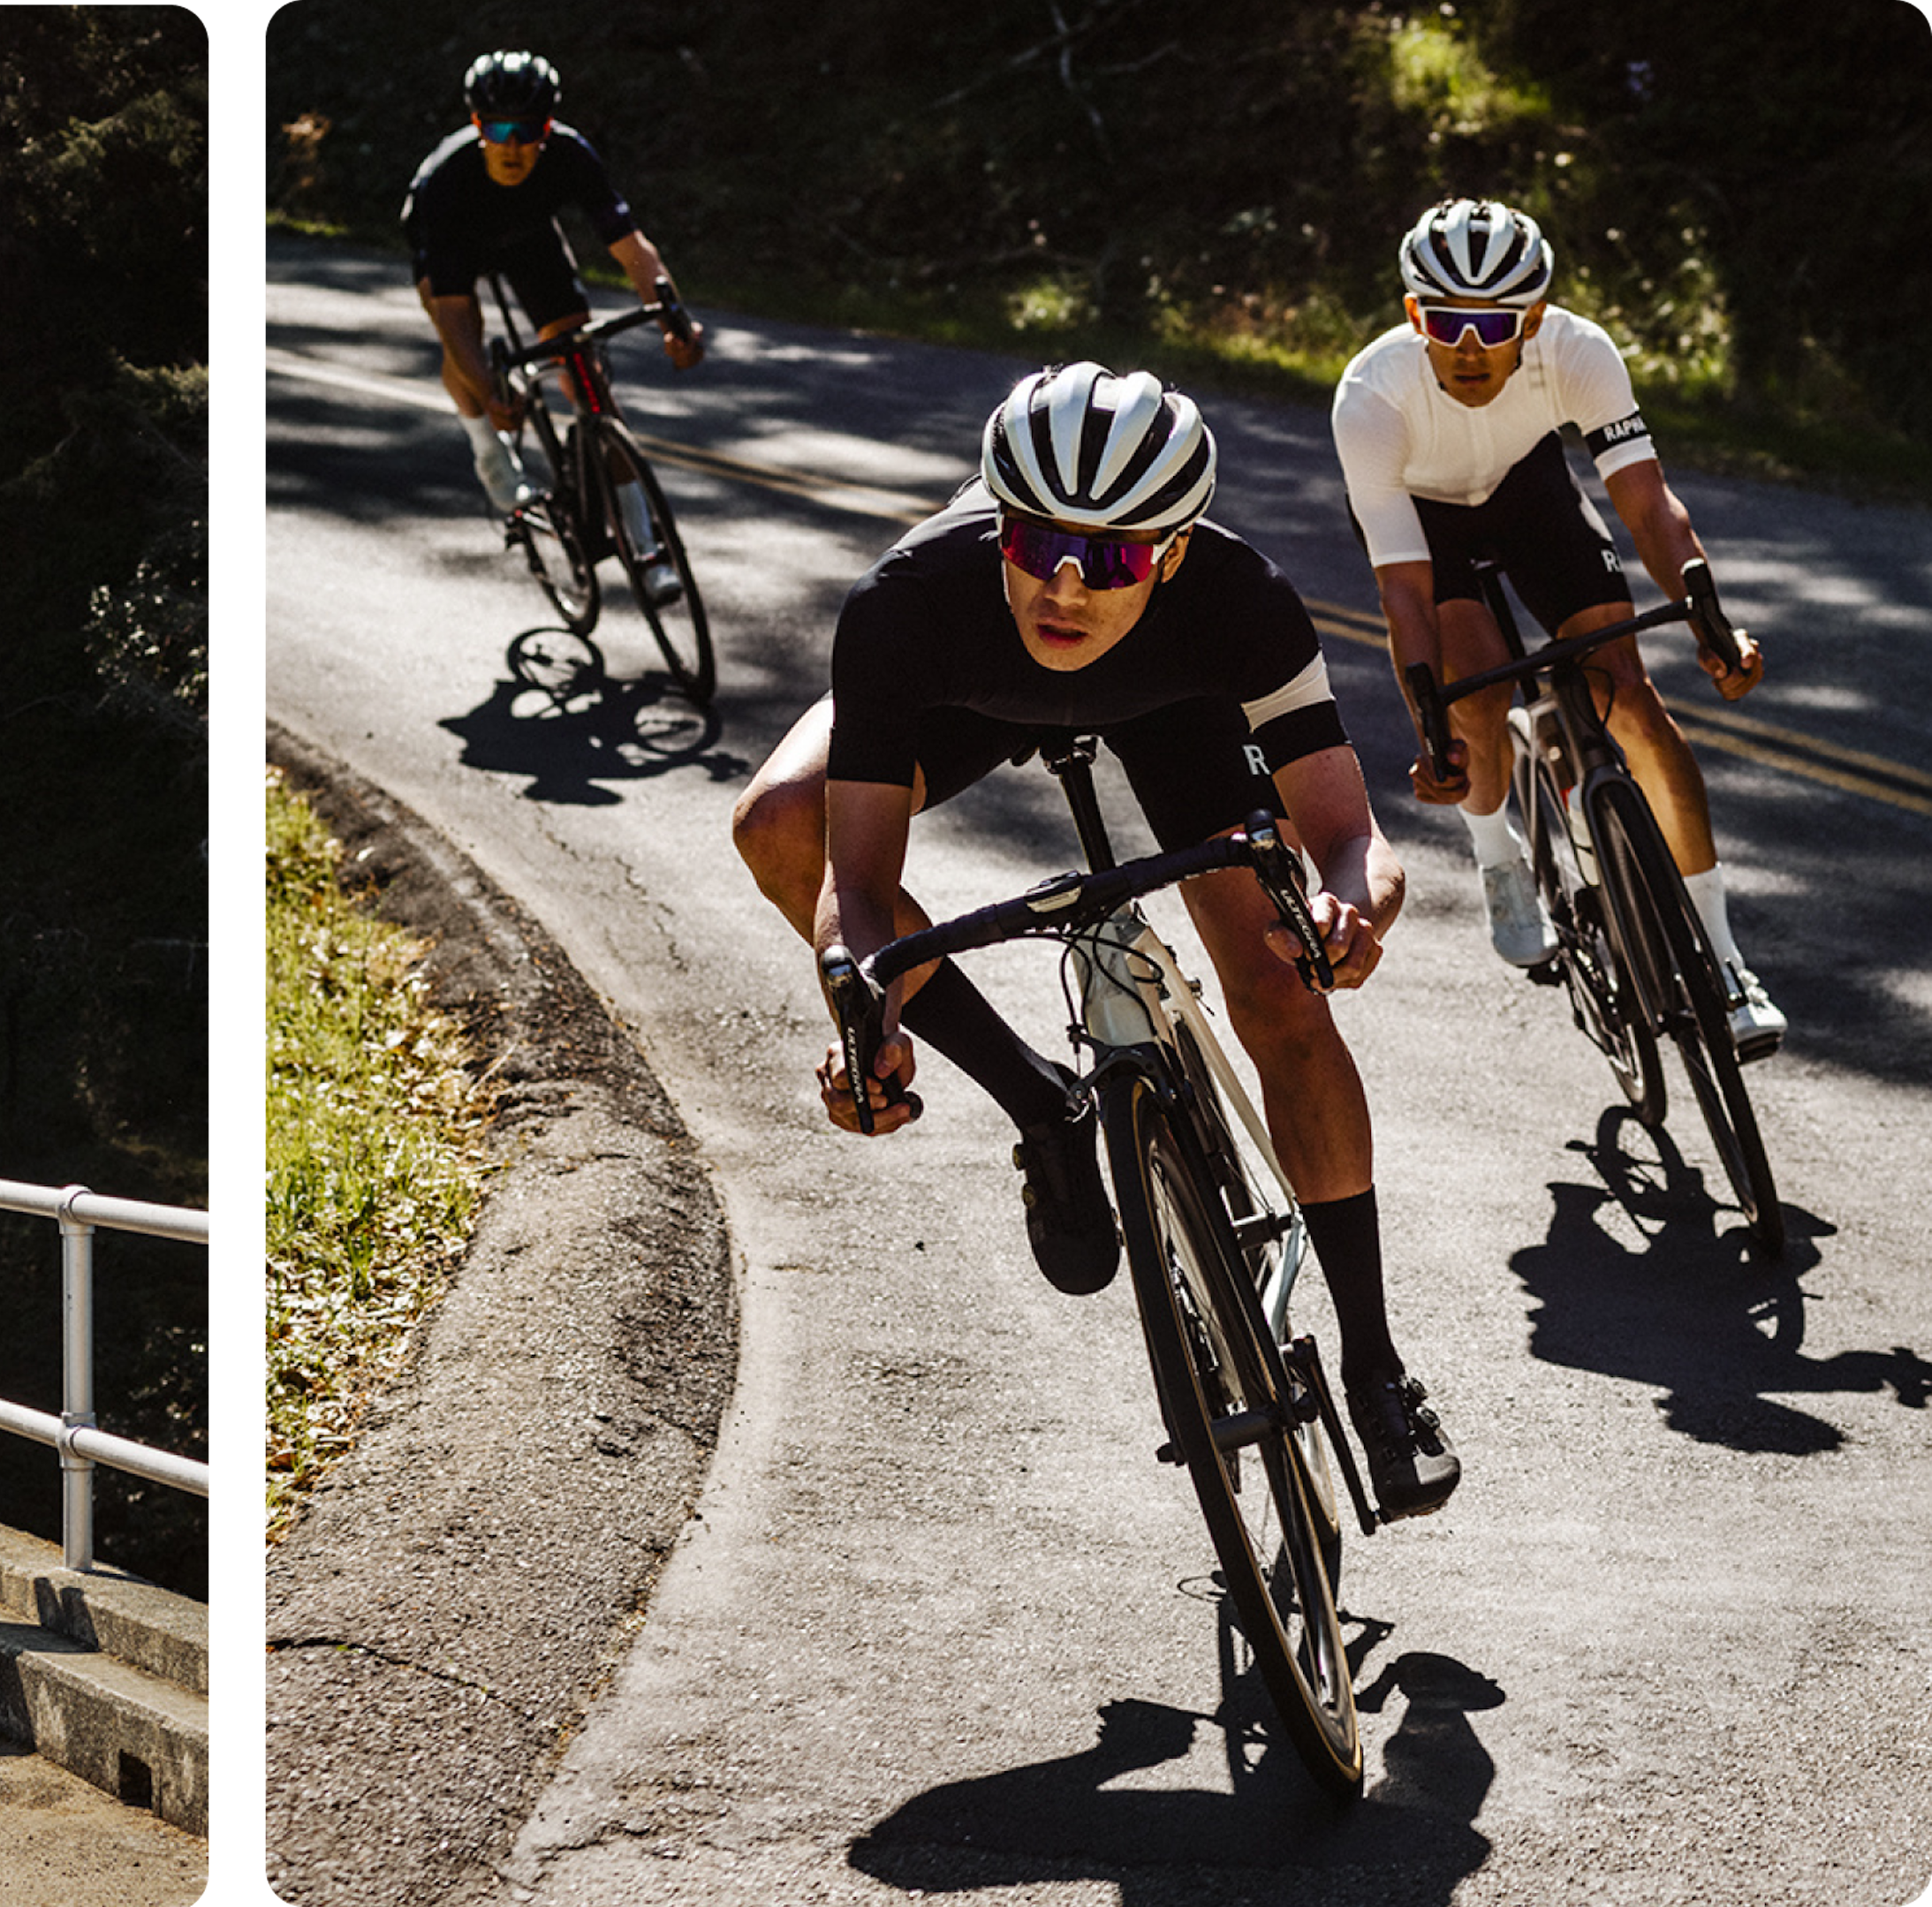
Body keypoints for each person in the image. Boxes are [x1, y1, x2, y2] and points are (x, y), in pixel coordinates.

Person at [728, 362, 1460, 1517]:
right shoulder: (908, 601)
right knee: (775, 824)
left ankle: (1375, 1365)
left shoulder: (1239, 598)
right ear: (997, 524)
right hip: (960, 698)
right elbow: (855, 883)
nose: (1066, 584)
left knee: (1280, 986)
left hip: (1176, 711)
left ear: (1169, 553)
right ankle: (1045, 1106)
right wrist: (858, 1008)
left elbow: (1348, 833)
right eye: (1037, 542)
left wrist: (1346, 908)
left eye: (1113, 555)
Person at [1332, 196, 1783, 1056]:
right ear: (1411, 314)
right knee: (1478, 684)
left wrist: (1710, 619)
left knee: (1629, 698)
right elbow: (1406, 596)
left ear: (1533, 320)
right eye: (1444, 321)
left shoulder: (1578, 352)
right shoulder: (1371, 396)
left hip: (1526, 489)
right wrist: (1433, 730)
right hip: (1428, 527)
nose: (1467, 348)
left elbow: (1648, 506)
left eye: (1494, 323)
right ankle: (1498, 854)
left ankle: (1724, 963)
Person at [403, 48, 704, 586]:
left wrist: (673, 323)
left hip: (528, 237)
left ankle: (645, 542)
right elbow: (451, 314)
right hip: (452, 239)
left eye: (528, 128)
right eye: (497, 128)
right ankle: (491, 458)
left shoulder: (569, 154)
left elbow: (634, 251)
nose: (513, 145)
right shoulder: (444, 182)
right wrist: (490, 391)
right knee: (466, 341)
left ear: (548, 125)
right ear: (477, 124)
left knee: (584, 371)